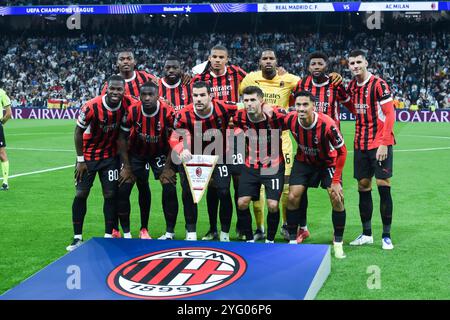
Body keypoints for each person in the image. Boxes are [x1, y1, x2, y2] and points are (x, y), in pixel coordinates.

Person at [240, 49, 344, 241]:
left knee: (288, 190)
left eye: (272, 58)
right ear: (259, 62)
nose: (268, 61)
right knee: (268, 191)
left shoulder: (292, 79)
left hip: (289, 143)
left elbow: (315, 83)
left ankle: (290, 227)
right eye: (265, 58)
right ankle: (263, 228)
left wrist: (335, 76)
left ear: (277, 62)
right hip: (264, 143)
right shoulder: (249, 79)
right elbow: (243, 99)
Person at [66, 75, 138, 251]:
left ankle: (108, 235)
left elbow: (143, 102)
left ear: (124, 91)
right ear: (106, 89)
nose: (115, 92)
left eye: (119, 89)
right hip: (88, 158)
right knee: (81, 194)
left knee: (110, 195)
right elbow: (77, 132)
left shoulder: (128, 104)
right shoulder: (91, 106)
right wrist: (80, 160)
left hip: (110, 157)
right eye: (112, 88)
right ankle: (77, 237)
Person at [292, 51, 352, 243]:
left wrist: (342, 84)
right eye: (313, 64)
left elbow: (350, 105)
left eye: (320, 63)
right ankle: (302, 228)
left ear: (326, 65)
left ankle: (338, 234)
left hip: (330, 148)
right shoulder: (302, 84)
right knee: (297, 193)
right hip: (307, 147)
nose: (316, 67)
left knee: (336, 195)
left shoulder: (335, 83)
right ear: (308, 67)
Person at [169, 81, 238, 241]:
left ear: (210, 96)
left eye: (202, 95)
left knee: (224, 191)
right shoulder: (184, 114)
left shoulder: (223, 107)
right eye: (195, 96)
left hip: (220, 155)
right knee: (188, 193)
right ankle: (191, 233)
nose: (198, 99)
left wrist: (265, 106)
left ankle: (225, 234)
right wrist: (181, 149)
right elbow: (174, 137)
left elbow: (245, 106)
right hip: (192, 156)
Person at [284, 91, 348, 259]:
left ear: (313, 106)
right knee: (292, 196)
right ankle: (293, 238)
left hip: (328, 163)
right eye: (298, 105)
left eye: (305, 105)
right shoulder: (290, 119)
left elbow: (343, 152)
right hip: (304, 162)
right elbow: (274, 115)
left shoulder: (327, 124)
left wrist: (335, 181)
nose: (301, 108)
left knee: (336, 196)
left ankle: (338, 241)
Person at [192, 45, 246, 241]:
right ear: (209, 58)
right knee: (214, 184)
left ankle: (241, 225)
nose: (217, 60)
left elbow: (252, 89)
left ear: (227, 59)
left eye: (221, 57)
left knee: (239, 181)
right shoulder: (200, 78)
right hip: (210, 136)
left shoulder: (237, 72)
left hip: (235, 134)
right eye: (214, 56)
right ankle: (213, 228)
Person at [346, 49, 396, 250]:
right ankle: (367, 233)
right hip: (360, 144)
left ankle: (386, 235)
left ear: (366, 62)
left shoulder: (378, 84)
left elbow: (390, 114)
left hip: (379, 144)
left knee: (383, 184)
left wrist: (384, 142)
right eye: (352, 63)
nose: (356, 66)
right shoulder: (351, 86)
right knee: (363, 186)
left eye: (359, 62)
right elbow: (354, 108)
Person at [117, 81, 176, 240]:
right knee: (124, 188)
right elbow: (121, 137)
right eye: (144, 94)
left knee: (169, 186)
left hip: (159, 153)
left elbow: (176, 139)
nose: (147, 98)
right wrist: (127, 166)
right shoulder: (132, 110)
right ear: (140, 96)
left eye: (151, 94)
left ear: (158, 96)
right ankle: (127, 233)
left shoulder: (168, 112)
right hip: (136, 154)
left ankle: (169, 233)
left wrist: (168, 167)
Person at [233, 86, 287, 243]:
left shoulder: (275, 114)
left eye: (253, 100)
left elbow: (293, 120)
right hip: (251, 166)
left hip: (273, 166)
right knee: (242, 202)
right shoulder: (240, 116)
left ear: (261, 101)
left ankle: (270, 239)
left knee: (272, 205)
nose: (248, 103)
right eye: (246, 100)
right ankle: (250, 239)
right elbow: (234, 123)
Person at [156, 56, 193, 240]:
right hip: (164, 146)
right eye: (168, 67)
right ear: (163, 68)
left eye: (175, 67)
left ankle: (190, 230)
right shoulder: (156, 86)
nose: (171, 70)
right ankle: (169, 231)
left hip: (187, 145)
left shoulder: (190, 85)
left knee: (188, 190)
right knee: (168, 188)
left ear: (181, 69)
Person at [0, 85, 11, 191]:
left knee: (2, 154)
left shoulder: (1, 93)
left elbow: (8, 114)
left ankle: (5, 182)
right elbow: (8, 114)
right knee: (2, 154)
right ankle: (5, 182)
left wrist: (1, 123)